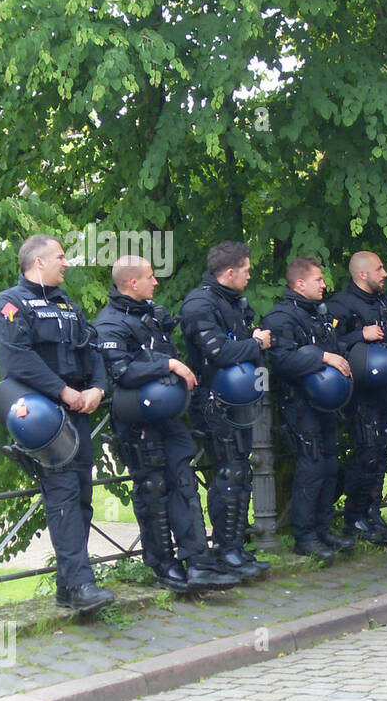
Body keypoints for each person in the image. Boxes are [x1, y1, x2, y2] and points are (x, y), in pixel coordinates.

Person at [94, 256, 240, 593]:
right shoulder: (110, 324)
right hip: (138, 421)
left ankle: (199, 563)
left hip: (168, 416)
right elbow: (123, 372)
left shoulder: (152, 316)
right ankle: (163, 565)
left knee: (185, 484)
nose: (156, 282)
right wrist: (168, 363)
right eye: (149, 277)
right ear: (132, 283)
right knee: (153, 489)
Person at [0, 234, 114, 613]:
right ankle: (80, 585)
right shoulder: (10, 304)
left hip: (78, 408)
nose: (67, 263)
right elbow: (16, 359)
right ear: (39, 262)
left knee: (82, 495)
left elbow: (92, 350)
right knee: (63, 496)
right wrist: (63, 392)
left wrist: (97, 389)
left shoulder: (68, 305)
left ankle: (68, 586)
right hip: (44, 417)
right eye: (61, 257)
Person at [179, 241, 273, 579]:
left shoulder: (233, 301)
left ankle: (235, 545)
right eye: (246, 270)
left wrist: (250, 344)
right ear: (229, 272)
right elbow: (218, 352)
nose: (250, 275)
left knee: (241, 471)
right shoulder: (200, 304)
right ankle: (224, 548)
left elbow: (238, 347)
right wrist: (256, 343)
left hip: (238, 399)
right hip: (213, 400)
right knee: (229, 473)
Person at [263, 257, 356, 560]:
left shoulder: (318, 314)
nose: (324, 284)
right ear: (300, 283)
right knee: (312, 467)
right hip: (299, 404)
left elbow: (337, 348)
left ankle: (323, 530)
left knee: (329, 465)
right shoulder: (280, 317)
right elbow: (283, 360)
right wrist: (323, 358)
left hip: (325, 404)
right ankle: (305, 537)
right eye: (318, 279)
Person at [326, 251, 387, 545]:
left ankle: (372, 514)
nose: (385, 273)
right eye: (380, 268)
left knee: (380, 455)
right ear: (362, 274)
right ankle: (354, 518)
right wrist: (362, 335)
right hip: (357, 394)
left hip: (383, 389)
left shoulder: (382, 303)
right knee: (367, 453)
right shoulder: (340, 305)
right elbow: (329, 344)